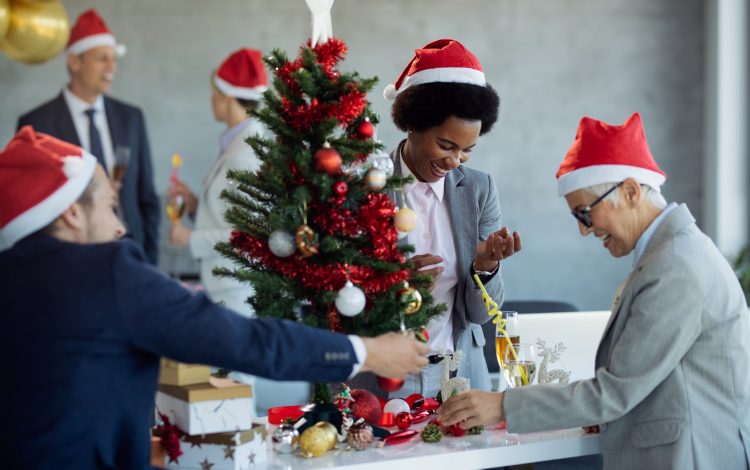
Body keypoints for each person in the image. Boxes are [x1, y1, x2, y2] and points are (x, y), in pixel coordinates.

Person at [0, 127, 429, 469]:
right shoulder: (106, 270)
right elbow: (245, 341)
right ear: (71, 213)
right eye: (111, 207)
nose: (118, 227)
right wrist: (365, 351)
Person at [440, 113, 750, 469]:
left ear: (632, 191)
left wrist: (502, 405)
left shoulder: (677, 265)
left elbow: (616, 391)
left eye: (585, 214)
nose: (585, 231)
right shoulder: (672, 254)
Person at [359, 39, 522, 399]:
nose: (455, 161)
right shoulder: (364, 189)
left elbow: (481, 315)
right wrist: (398, 286)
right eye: (446, 146)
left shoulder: (479, 189)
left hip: (462, 375)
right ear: (413, 125)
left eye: (467, 151)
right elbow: (340, 301)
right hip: (382, 382)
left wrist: (486, 267)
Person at [17, 8, 160, 264]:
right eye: (102, 58)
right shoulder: (36, 123)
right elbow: (30, 205)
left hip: (132, 256)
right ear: (74, 61)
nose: (112, 67)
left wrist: (150, 259)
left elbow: (146, 196)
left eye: (113, 58)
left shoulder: (131, 117)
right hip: (67, 261)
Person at [168, 48, 268, 317]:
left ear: (226, 97)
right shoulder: (239, 143)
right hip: (229, 288)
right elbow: (232, 213)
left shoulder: (247, 153)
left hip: (237, 292)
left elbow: (250, 236)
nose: (211, 99)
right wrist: (194, 206)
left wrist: (190, 238)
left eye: (214, 92)